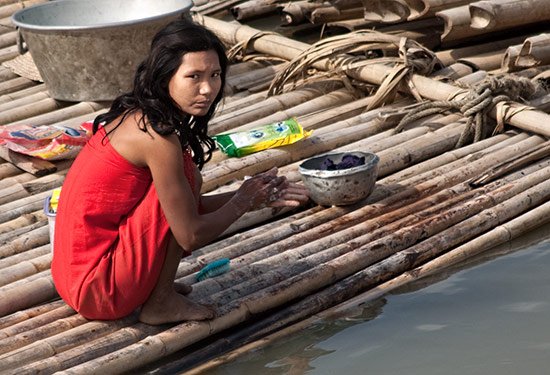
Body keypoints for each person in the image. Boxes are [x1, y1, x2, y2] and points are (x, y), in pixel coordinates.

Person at [51, 19, 309, 325]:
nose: (208, 89)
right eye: (193, 77)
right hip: (98, 289)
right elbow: (189, 233)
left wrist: (255, 196)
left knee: (183, 183)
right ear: (164, 79)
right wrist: (242, 202)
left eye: (215, 75)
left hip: (74, 276)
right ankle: (160, 303)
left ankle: (153, 286)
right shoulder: (157, 138)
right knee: (187, 175)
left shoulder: (140, 115)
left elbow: (183, 207)